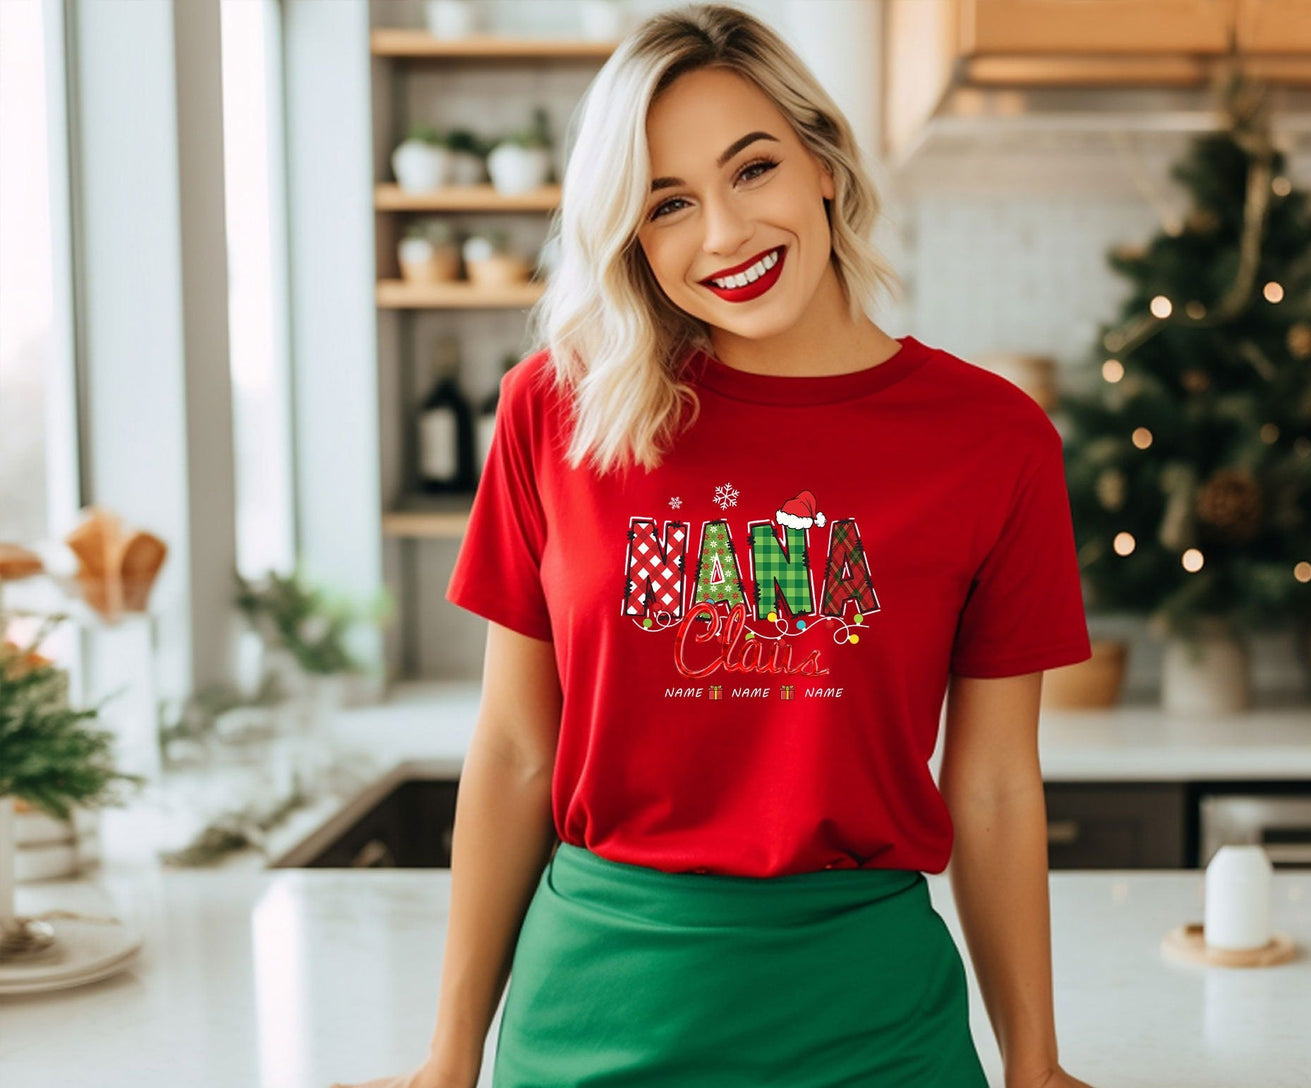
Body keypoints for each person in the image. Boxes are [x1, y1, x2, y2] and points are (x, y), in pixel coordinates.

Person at [335, 4, 1098, 1087]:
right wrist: (448, 1057)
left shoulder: (991, 438)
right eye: (667, 204)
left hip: (873, 1026)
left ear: (821, 162)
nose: (725, 233)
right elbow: (512, 750)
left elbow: (993, 785)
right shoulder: (555, 410)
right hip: (590, 1017)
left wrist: (1035, 1064)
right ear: (630, 237)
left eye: (752, 169)